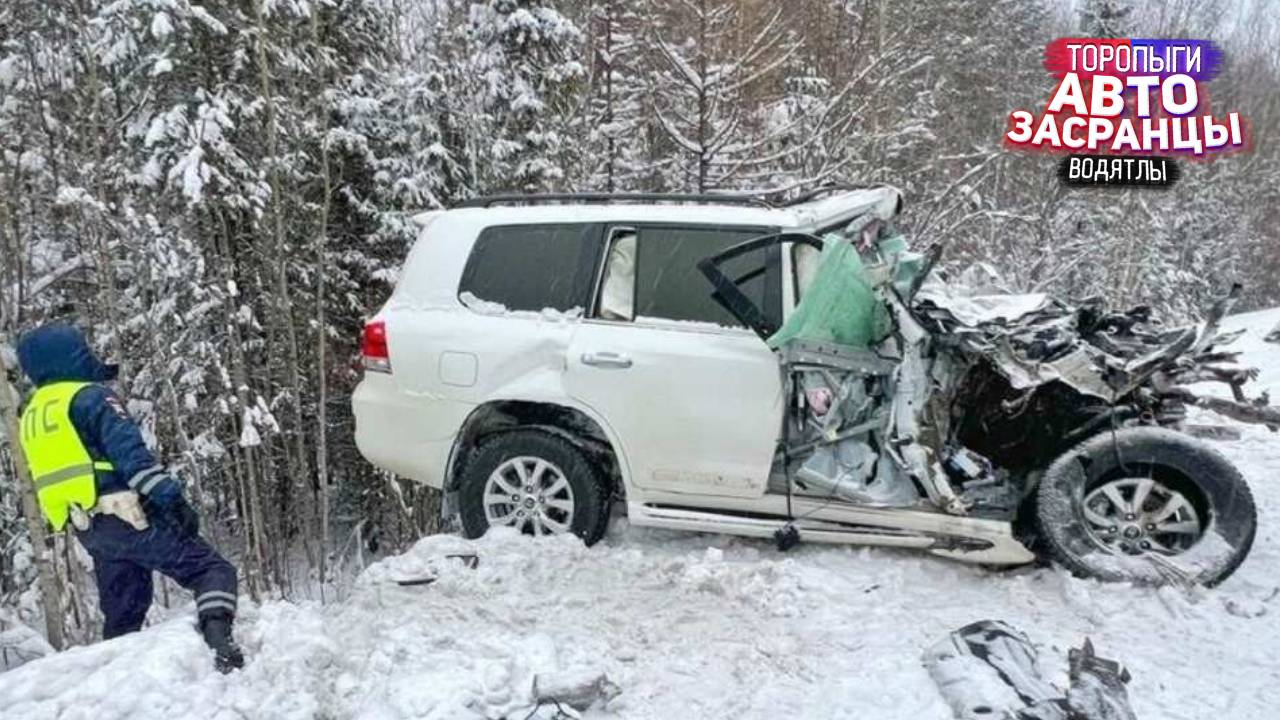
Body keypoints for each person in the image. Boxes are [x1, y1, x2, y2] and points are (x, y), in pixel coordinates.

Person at [15, 323, 244, 673]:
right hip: (130, 515)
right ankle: (221, 645)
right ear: (69, 353)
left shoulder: (33, 412)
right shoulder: (91, 397)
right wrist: (171, 499)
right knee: (212, 570)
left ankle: (118, 682)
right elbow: (132, 458)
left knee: (123, 614)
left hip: (90, 529)